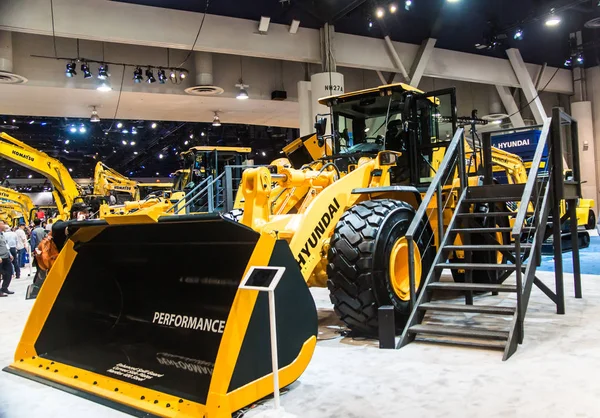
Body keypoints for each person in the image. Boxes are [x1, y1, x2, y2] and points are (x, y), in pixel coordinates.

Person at [30, 218, 47, 284]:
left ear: (34, 223)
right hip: (45, 249)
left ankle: (36, 281)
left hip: (37, 250)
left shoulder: (34, 231)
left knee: (38, 266)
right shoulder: (44, 230)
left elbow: (33, 242)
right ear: (40, 223)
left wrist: (32, 250)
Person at [0, 225, 14, 296]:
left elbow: (6, 245)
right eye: (2, 224)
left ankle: (4, 288)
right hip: (0, 258)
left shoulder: (2, 234)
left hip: (6, 257)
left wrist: (10, 254)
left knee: (9, 273)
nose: (4, 226)